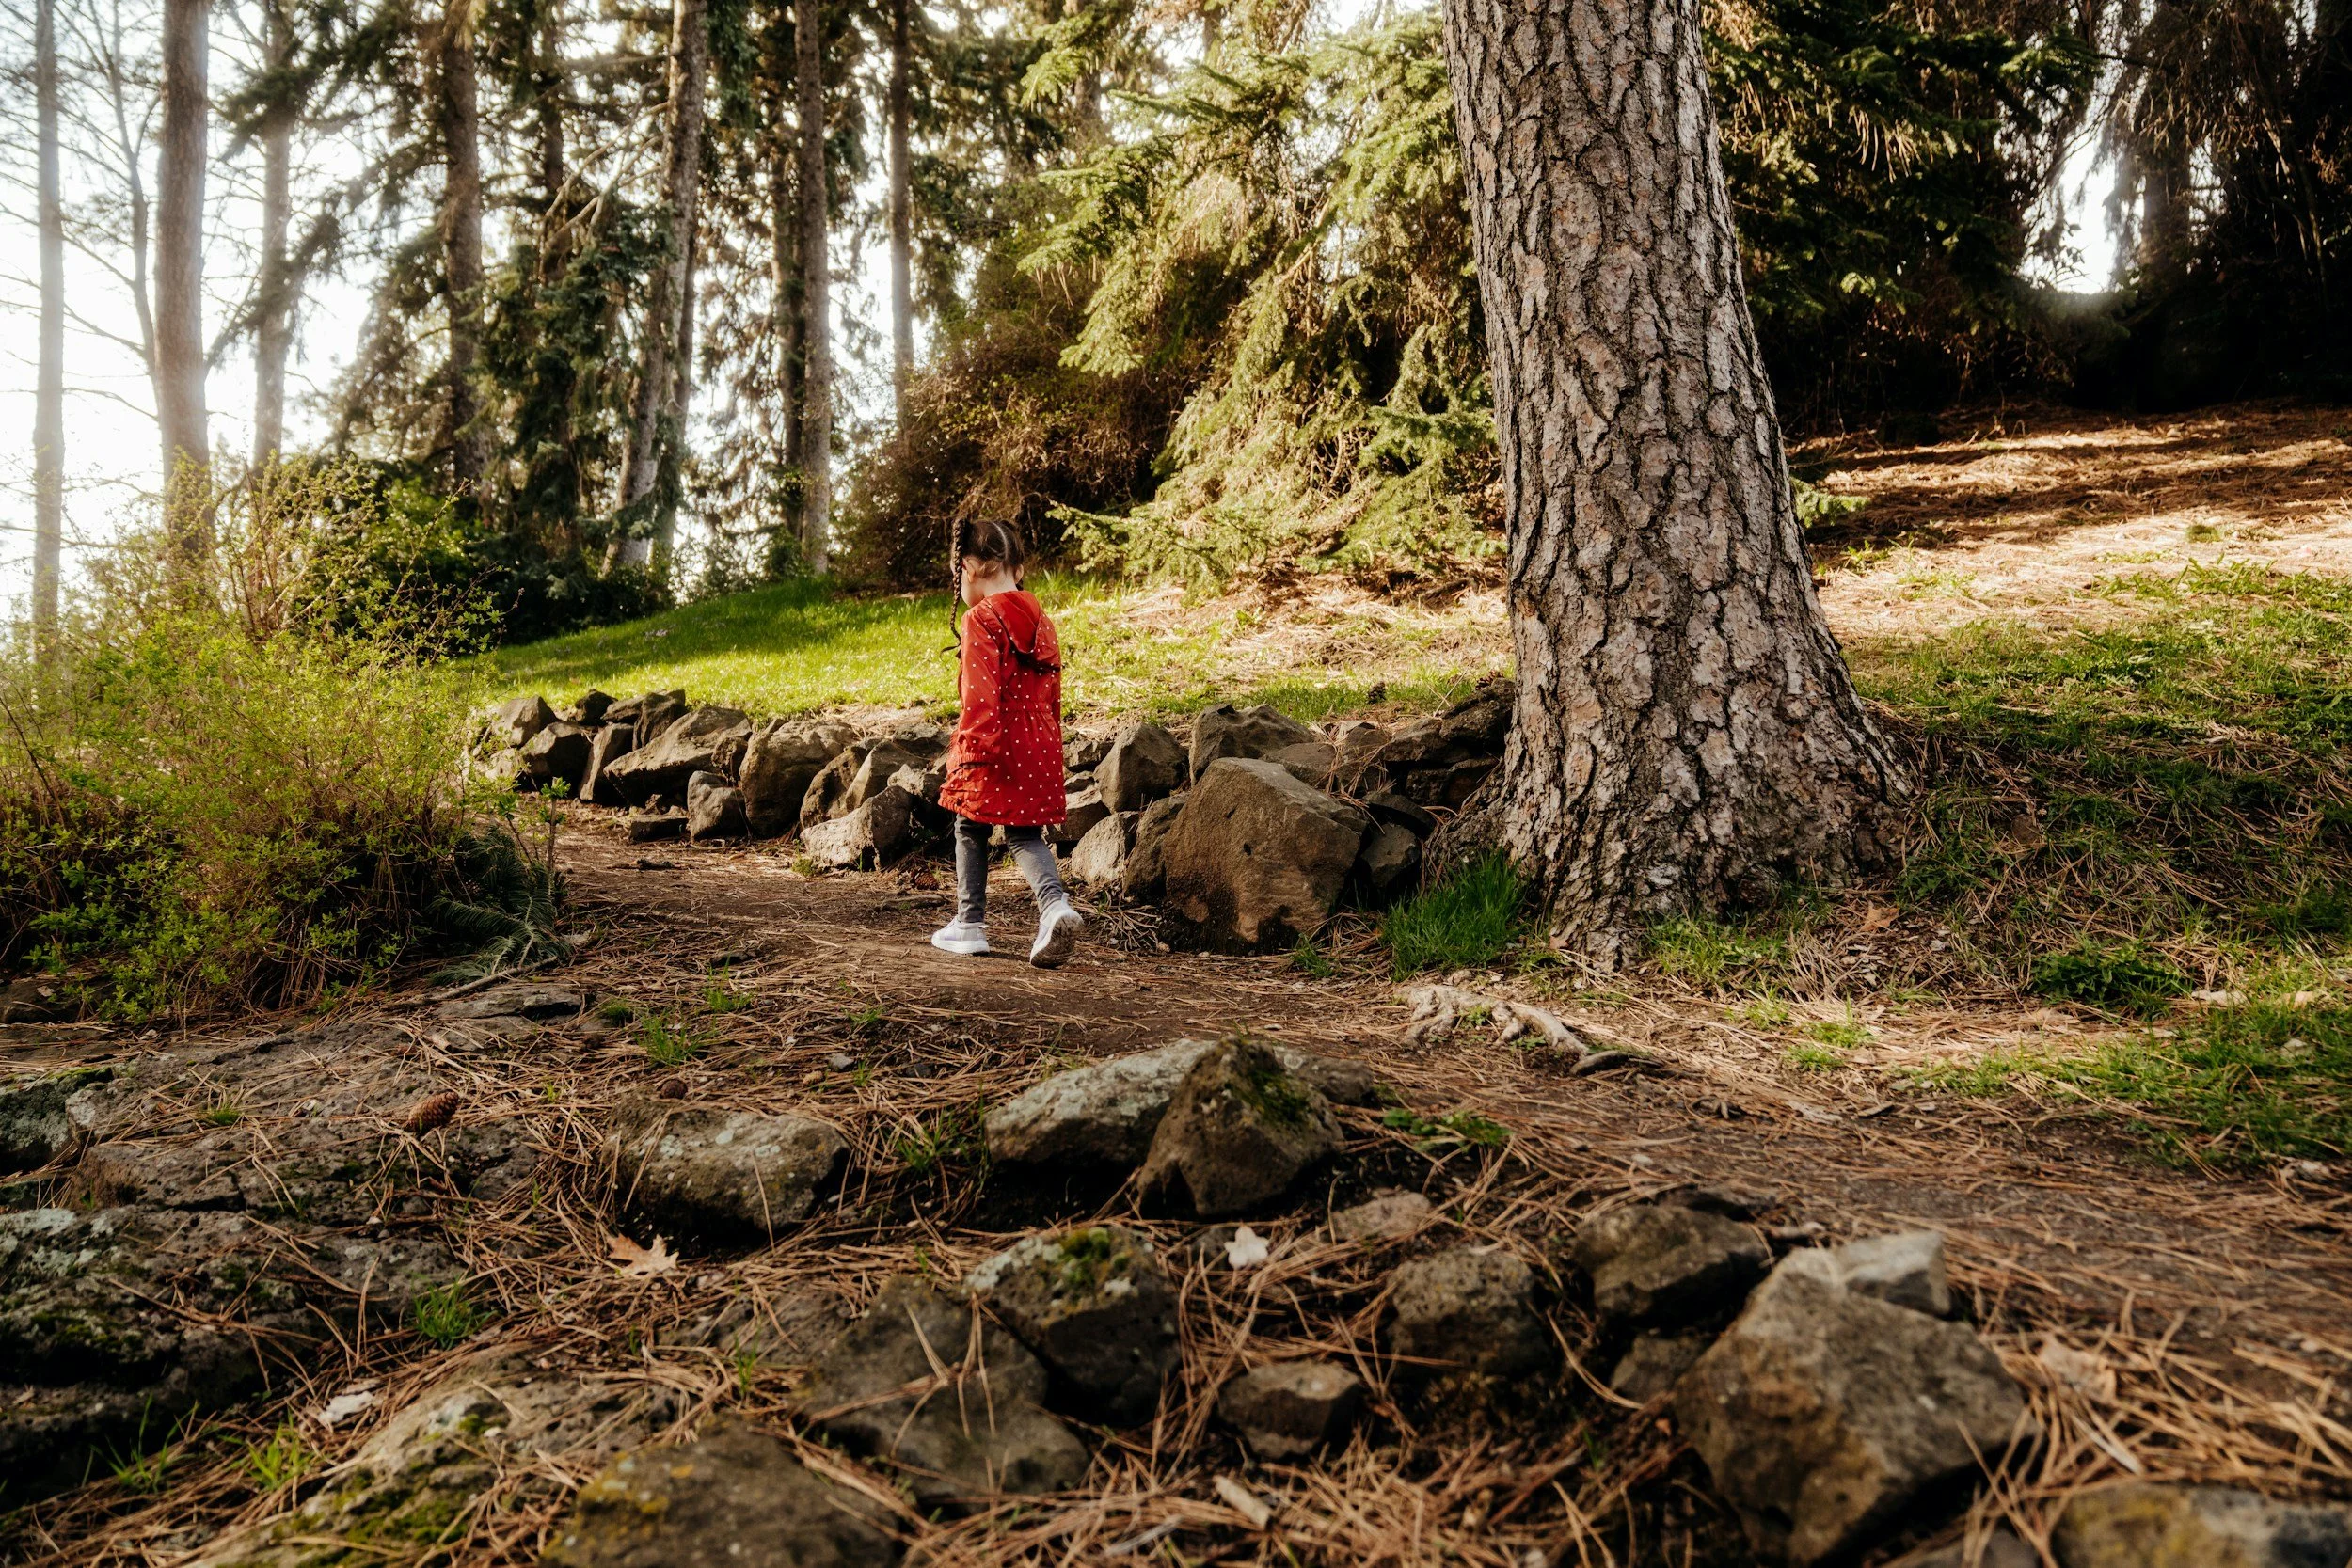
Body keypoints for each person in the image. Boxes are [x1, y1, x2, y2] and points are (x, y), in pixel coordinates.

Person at [930, 519, 1084, 967]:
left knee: (967, 824)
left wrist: (970, 754)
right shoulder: (1044, 623)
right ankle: (1054, 905)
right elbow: (1052, 697)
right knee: (1023, 834)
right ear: (1016, 570)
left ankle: (969, 923)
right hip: (1039, 742)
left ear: (970, 567)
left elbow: (980, 696)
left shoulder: (981, 619)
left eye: (956, 575)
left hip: (994, 739)